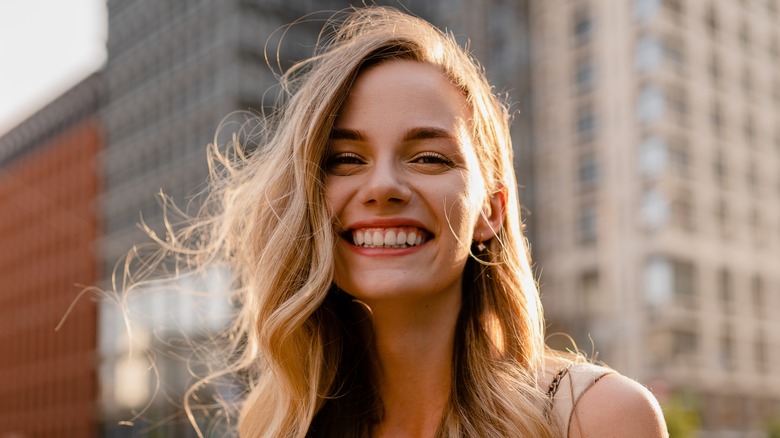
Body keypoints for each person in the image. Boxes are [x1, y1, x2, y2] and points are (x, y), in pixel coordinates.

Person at [147, 6, 667, 437]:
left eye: (429, 158)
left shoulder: (600, 418)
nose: (383, 187)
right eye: (345, 159)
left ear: (491, 211)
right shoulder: (275, 424)